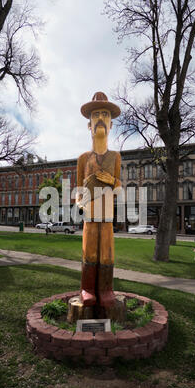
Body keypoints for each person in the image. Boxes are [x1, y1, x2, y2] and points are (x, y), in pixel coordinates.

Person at [76, 92, 121, 308]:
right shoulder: (83, 158)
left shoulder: (116, 156)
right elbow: (77, 190)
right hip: (91, 215)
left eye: (105, 114)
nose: (101, 118)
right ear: (89, 124)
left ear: (111, 124)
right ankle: (87, 290)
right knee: (90, 251)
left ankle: (106, 290)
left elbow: (120, 187)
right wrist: (80, 201)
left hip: (108, 215)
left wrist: (112, 180)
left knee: (107, 252)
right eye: (96, 115)